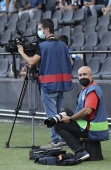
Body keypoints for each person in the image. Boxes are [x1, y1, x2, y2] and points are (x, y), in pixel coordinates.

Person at [17, 18, 73, 149]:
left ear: (47, 29)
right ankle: (63, 138)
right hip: (61, 85)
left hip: (48, 85)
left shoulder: (42, 46)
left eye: (40, 29)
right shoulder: (63, 45)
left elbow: (31, 62)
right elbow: (70, 63)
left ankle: (55, 141)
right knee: (60, 113)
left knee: (52, 115)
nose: (39, 32)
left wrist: (21, 52)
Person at [46, 66, 109, 160]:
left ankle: (80, 151)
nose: (82, 77)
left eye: (85, 74)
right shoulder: (87, 89)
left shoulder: (92, 90)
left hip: (90, 129)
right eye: (80, 75)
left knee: (58, 126)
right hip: (88, 126)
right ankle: (80, 149)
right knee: (66, 112)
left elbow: (88, 110)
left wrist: (71, 119)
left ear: (91, 75)